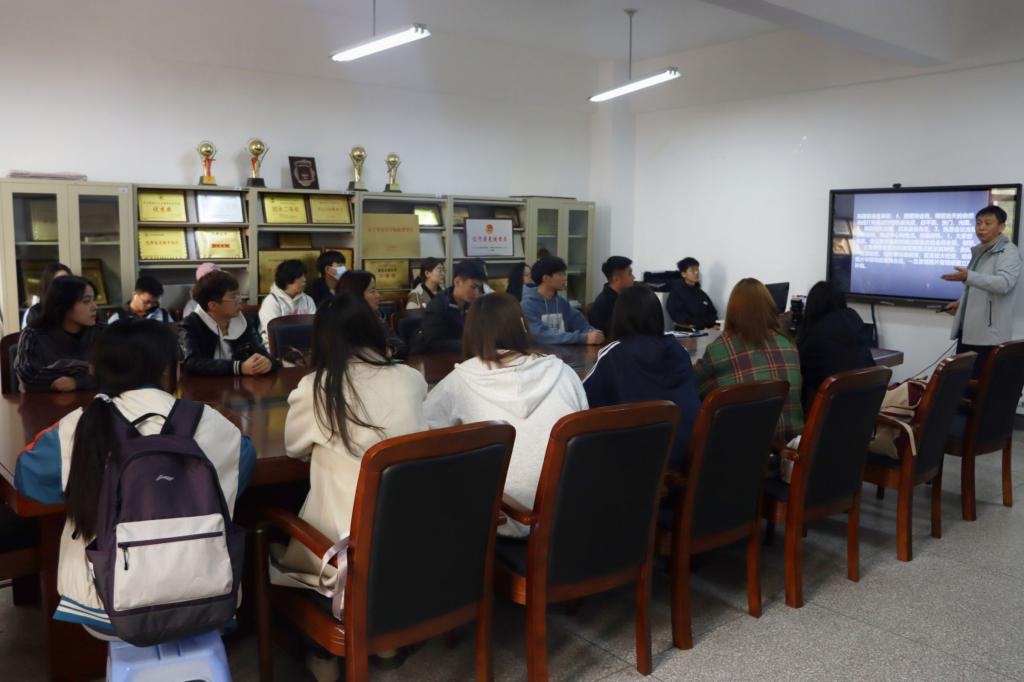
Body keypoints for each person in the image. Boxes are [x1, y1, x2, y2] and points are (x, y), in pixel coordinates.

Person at [14, 319, 255, 634]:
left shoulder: (77, 426)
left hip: (102, 604)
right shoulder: (213, 423)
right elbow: (240, 472)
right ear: (169, 369)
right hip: (207, 596)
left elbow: (29, 478)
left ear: (97, 369)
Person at [272, 291, 427, 591]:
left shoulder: (319, 387)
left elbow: (294, 448)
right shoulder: (410, 379)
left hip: (350, 555)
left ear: (322, 339)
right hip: (415, 539)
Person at [423, 293, 588, 536]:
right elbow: (584, 437)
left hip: (497, 526)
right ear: (522, 325)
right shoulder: (564, 374)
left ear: (472, 333)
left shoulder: (458, 383)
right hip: (567, 519)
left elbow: (423, 442)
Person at [584, 285, 701, 471]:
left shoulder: (615, 353)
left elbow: (583, 399)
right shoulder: (679, 350)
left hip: (641, 464)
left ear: (619, 317)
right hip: (689, 453)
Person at [694, 278, 803, 443]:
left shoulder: (722, 348)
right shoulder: (789, 345)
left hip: (744, 449)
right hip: (791, 446)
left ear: (733, 310)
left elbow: (693, 387)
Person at [942, 205, 1023, 377]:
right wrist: (961, 305)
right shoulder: (980, 250)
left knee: (978, 386)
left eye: (988, 223)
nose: (981, 228)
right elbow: (979, 288)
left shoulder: (1008, 252)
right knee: (961, 384)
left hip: (988, 337)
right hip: (969, 331)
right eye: (978, 223)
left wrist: (968, 276)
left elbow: (1004, 284)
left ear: (1001, 227)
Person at [179, 270, 279, 376]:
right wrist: (239, 367)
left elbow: (263, 353)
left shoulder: (242, 321)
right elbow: (191, 363)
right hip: (203, 385)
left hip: (240, 384)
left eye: (239, 294)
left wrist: (268, 363)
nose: (240, 300)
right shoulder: (189, 325)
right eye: (233, 297)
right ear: (213, 305)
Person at [14, 276, 102, 392]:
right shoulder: (33, 335)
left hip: (95, 401)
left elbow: (119, 374)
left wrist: (77, 382)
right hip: (44, 402)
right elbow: (28, 376)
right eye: (86, 301)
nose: (95, 307)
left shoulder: (103, 332)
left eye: (94, 300)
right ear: (64, 305)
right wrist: (85, 368)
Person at [797, 281, 874, 413]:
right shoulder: (854, 322)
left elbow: (800, 374)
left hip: (827, 416)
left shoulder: (815, 336)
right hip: (865, 413)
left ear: (812, 307)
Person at [521, 256, 604, 346]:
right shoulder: (527, 305)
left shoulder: (562, 302)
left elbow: (580, 324)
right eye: (560, 274)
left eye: (564, 274)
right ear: (546, 278)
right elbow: (539, 335)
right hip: (539, 353)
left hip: (564, 351)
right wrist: (583, 338)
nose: (565, 278)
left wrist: (594, 333)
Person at [417, 260, 486, 353]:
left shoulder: (474, 304)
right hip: (441, 358)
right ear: (457, 282)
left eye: (479, 288)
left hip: (468, 355)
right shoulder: (438, 306)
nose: (477, 293)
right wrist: (469, 345)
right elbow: (433, 343)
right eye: (473, 287)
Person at [335, 269, 408, 359]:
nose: (378, 295)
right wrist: (383, 351)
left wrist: (388, 351)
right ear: (356, 295)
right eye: (372, 291)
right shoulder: (339, 322)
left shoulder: (376, 316)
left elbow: (401, 347)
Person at [258, 259, 317, 347]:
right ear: (287, 279)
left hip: (305, 346)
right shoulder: (272, 301)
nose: (304, 280)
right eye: (300, 277)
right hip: (276, 347)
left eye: (304, 275)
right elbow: (273, 333)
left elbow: (315, 327)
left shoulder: (308, 300)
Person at [587, 256, 636, 337]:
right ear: (616, 278)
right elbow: (610, 334)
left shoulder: (628, 297)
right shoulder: (602, 304)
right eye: (629, 274)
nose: (634, 277)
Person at [667, 257, 719, 330]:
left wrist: (713, 324)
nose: (696, 272)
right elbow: (678, 315)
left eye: (697, 269)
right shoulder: (677, 292)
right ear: (683, 274)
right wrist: (701, 325)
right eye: (692, 270)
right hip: (686, 332)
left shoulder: (701, 293)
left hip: (705, 331)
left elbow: (712, 312)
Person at [21, 262, 71, 329]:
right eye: (58, 282)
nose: (64, 286)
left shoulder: (76, 310)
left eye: (67, 282)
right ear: (48, 286)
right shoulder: (34, 314)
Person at [107, 275, 174, 323]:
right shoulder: (117, 318)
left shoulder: (164, 315)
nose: (150, 306)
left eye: (154, 303)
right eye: (146, 302)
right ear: (134, 294)